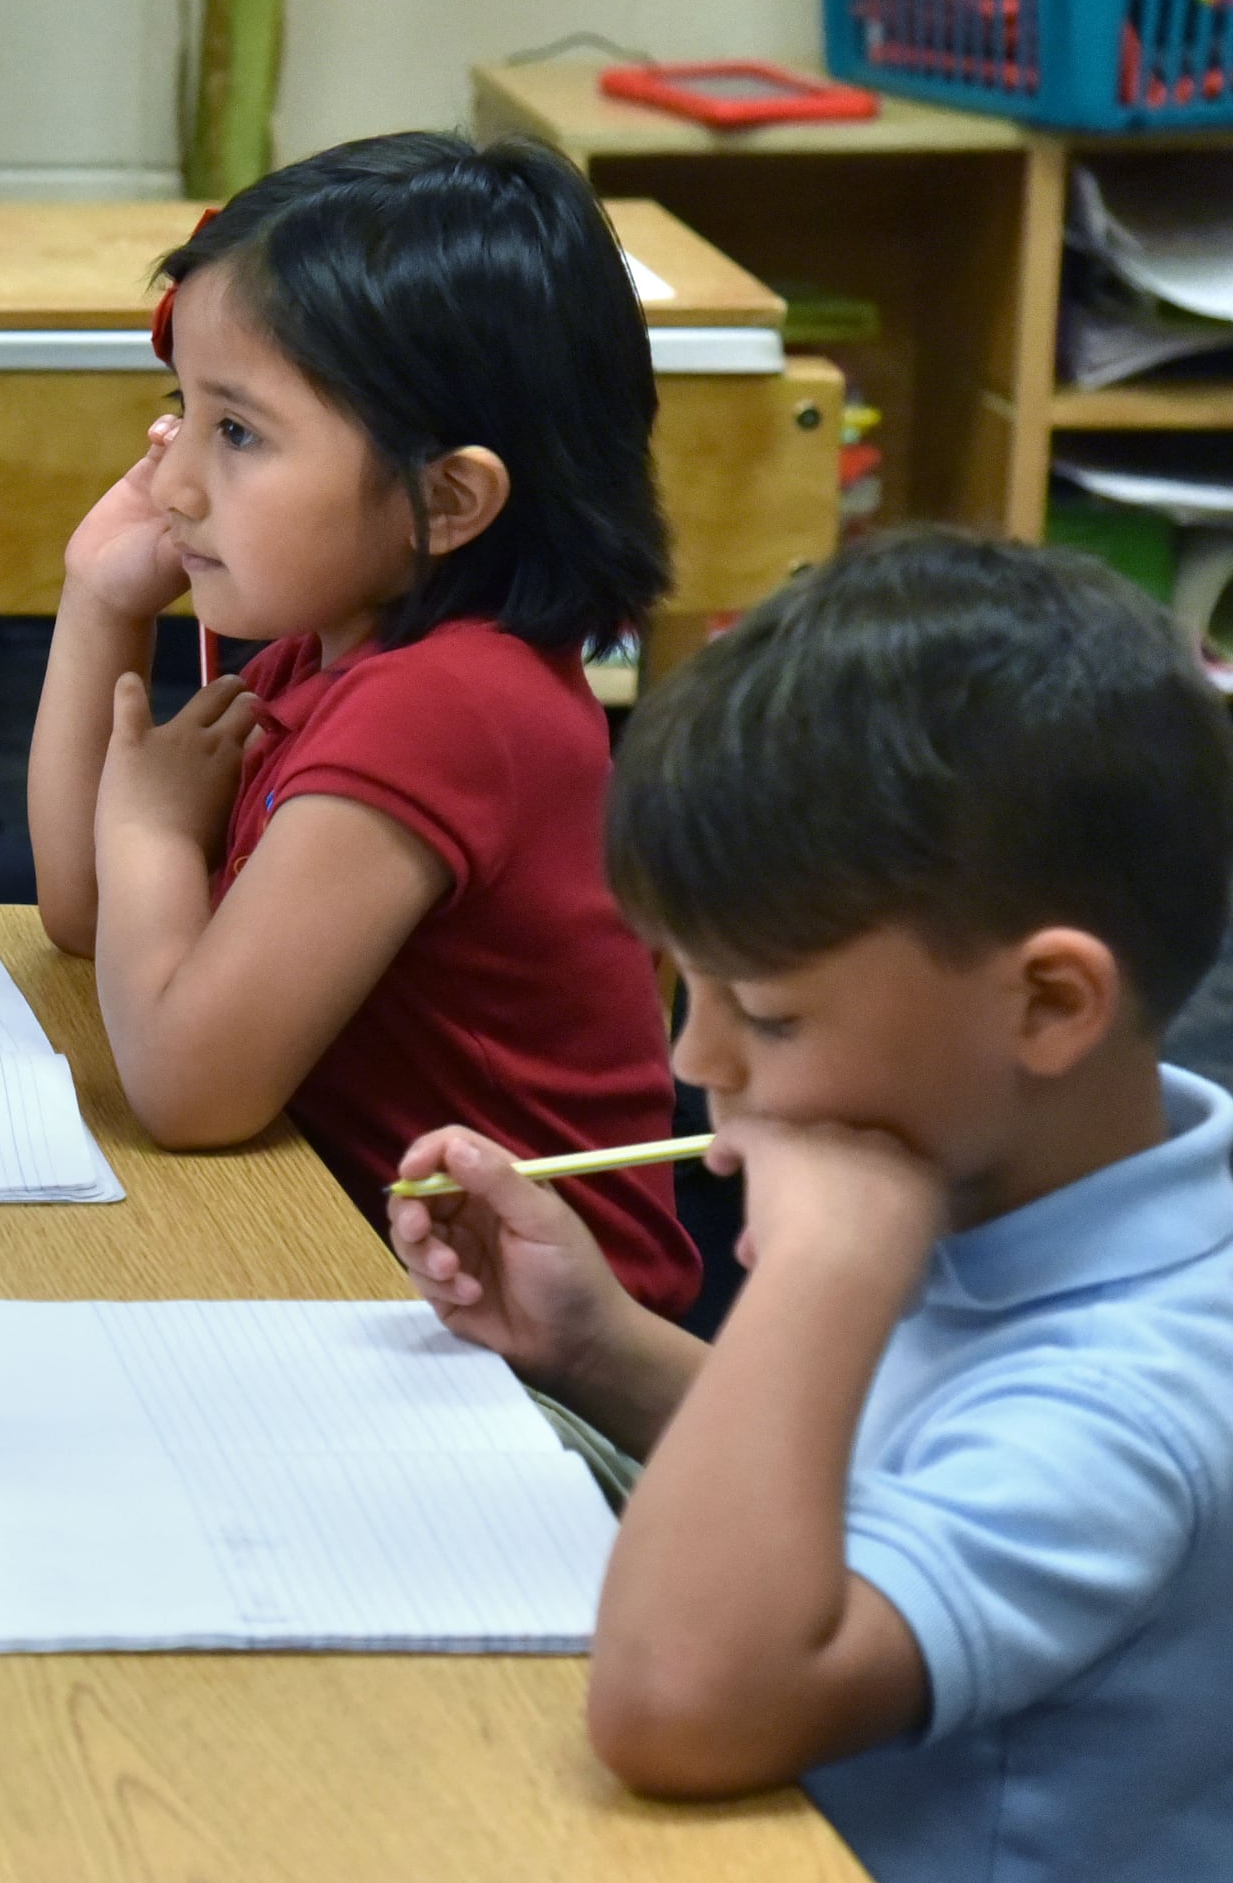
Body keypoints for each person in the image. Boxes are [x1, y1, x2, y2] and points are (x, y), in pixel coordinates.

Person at [391, 535, 1233, 1874]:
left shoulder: (1127, 1406)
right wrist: (596, 1341)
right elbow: (867, 1496)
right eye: (688, 986)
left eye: (768, 1012)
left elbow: (676, 1698)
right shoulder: (1040, 1178)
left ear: (1049, 1003)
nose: (694, 1059)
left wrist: (818, 1272)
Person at [28, 133, 697, 1311]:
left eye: (236, 431)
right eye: (179, 408)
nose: (174, 477)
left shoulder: (443, 707)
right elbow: (90, 921)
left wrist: (148, 832)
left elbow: (189, 1087)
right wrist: (100, 601)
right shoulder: (343, 640)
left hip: (536, 1371)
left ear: (446, 500)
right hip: (357, 1261)